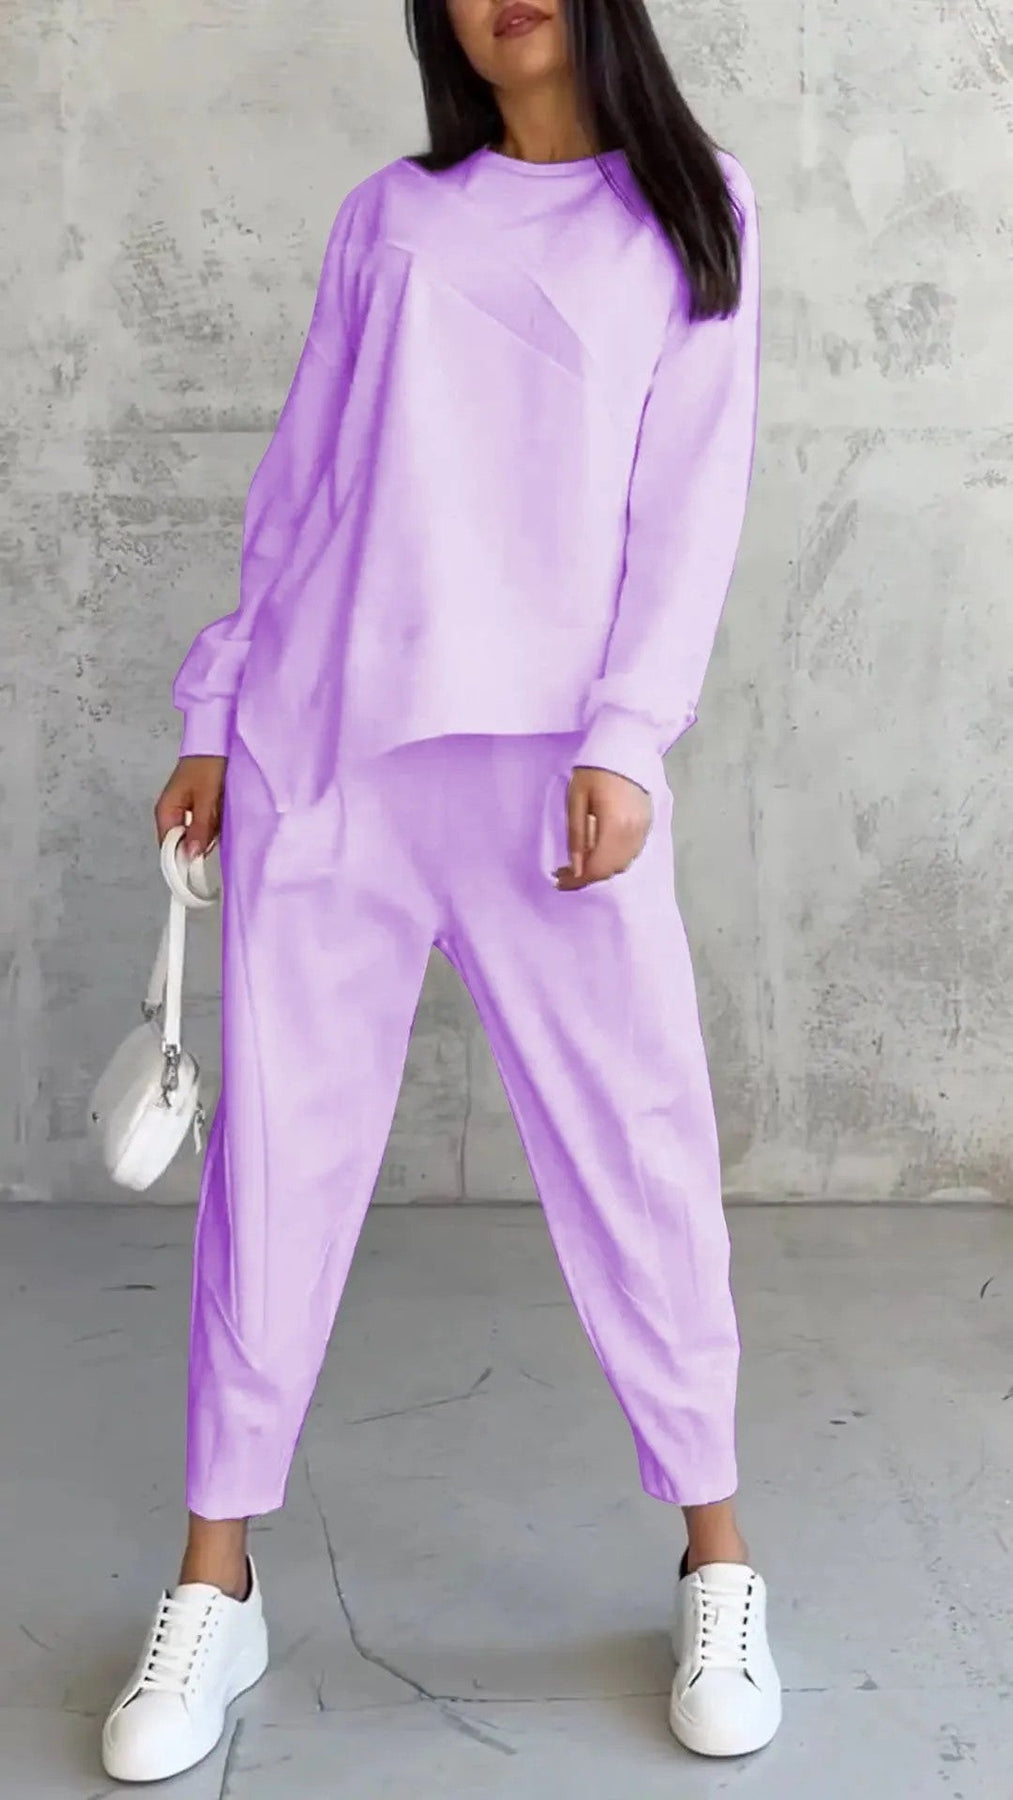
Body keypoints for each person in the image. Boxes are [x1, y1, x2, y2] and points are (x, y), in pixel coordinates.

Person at [101, 0, 780, 1781]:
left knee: (636, 1145)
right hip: (328, 746)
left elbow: (688, 500)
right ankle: (215, 1582)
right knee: (275, 1168)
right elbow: (306, 479)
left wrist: (627, 735)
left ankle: (717, 1560)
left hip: (552, 775)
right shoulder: (392, 215)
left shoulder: (693, 208)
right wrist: (216, 707)